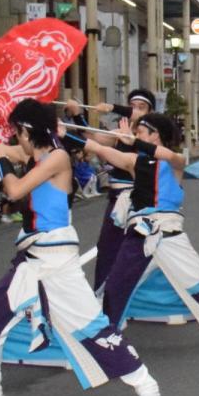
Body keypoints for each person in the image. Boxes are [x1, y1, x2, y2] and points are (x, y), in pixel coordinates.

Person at [0, 100, 163, 396]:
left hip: (56, 257)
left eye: (17, 133)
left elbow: (14, 191)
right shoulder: (31, 154)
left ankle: (147, 387)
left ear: (27, 130)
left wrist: (2, 163)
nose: (14, 139)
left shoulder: (56, 157)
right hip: (30, 257)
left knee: (91, 327)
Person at [83, 113, 199, 348]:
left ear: (155, 134)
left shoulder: (174, 160)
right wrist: (62, 134)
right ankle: (108, 338)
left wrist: (132, 141)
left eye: (140, 132)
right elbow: (97, 148)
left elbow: (168, 156)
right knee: (115, 286)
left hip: (170, 234)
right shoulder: (134, 161)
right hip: (139, 234)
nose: (135, 135)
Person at [66, 89, 154, 292]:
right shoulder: (118, 134)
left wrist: (112, 107)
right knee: (107, 246)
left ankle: (134, 297)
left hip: (141, 200)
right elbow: (91, 139)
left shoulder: (153, 137)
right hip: (117, 199)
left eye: (142, 107)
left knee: (142, 249)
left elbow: (143, 123)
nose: (136, 111)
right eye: (132, 106)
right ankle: (105, 294)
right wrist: (78, 114)